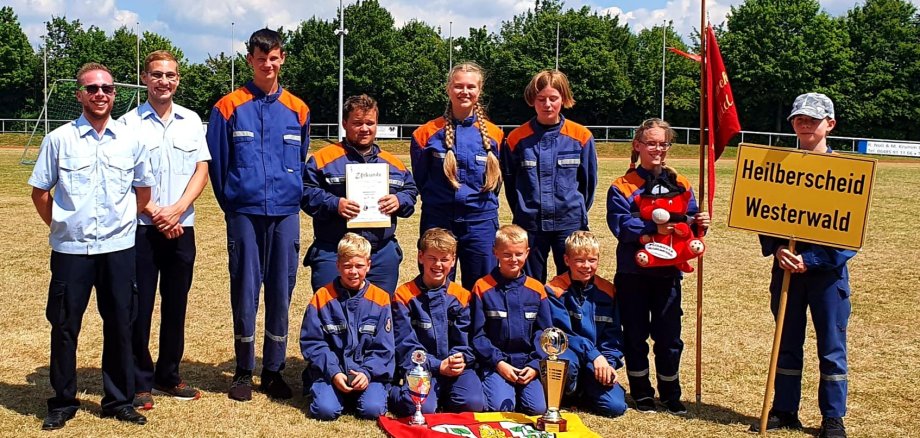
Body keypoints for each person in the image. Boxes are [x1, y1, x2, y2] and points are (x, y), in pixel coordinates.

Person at [28, 62, 155, 429]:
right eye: (93, 88)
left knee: (120, 323)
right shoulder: (59, 139)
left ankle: (118, 400)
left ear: (115, 94)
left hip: (118, 249)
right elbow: (40, 192)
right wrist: (61, 225)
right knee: (65, 326)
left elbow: (143, 192)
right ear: (79, 94)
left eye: (107, 88)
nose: (101, 94)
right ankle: (63, 401)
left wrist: (123, 222)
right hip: (71, 251)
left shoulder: (131, 139)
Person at [206, 28, 310, 401]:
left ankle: (273, 370)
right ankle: (242, 369)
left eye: (275, 57)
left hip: (284, 214)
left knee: (281, 292)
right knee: (245, 290)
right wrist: (233, 203)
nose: (268, 63)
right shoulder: (227, 106)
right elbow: (218, 165)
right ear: (249, 59)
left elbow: (299, 162)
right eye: (261, 57)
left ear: (282, 59)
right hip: (244, 214)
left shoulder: (298, 109)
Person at [751, 93, 853, 438]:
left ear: (830, 124)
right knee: (787, 342)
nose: (805, 125)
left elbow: (847, 234)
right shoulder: (779, 169)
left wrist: (809, 260)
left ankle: (833, 418)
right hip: (785, 273)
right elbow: (766, 214)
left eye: (812, 119)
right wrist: (778, 248)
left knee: (831, 349)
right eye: (799, 119)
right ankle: (784, 409)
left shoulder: (846, 173)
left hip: (826, 277)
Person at [120, 50, 209, 410]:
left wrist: (176, 211)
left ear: (178, 79)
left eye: (170, 75)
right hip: (141, 228)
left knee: (176, 304)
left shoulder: (191, 121)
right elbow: (124, 177)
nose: (164, 82)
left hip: (181, 226)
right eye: (157, 75)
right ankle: (140, 380)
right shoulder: (126, 124)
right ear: (144, 78)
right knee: (138, 307)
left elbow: (201, 170)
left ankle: (168, 375)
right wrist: (157, 212)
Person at [606, 118, 709, 415]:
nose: (658, 149)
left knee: (668, 337)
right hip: (633, 272)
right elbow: (622, 226)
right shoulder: (622, 186)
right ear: (638, 146)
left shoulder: (681, 182)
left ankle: (671, 392)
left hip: (669, 272)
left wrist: (700, 225)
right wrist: (656, 226)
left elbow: (689, 223)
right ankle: (641, 392)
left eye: (663, 143)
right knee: (635, 335)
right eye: (651, 143)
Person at [302, 94, 417, 295]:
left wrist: (399, 200)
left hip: (381, 253)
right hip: (334, 250)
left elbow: (410, 191)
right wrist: (334, 204)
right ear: (345, 123)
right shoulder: (322, 159)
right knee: (331, 314)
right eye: (357, 123)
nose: (364, 128)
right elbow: (305, 192)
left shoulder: (393, 163)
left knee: (378, 315)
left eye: (370, 123)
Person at [411, 62, 504, 290]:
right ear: (448, 88)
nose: (465, 92)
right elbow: (422, 180)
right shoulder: (425, 134)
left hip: (481, 222)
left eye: (471, 86)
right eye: (458, 86)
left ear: (479, 90)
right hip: (439, 220)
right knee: (435, 285)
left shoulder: (496, 134)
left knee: (483, 288)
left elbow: (497, 183)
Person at [501, 69, 597, 283]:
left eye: (553, 98)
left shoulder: (581, 136)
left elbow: (588, 184)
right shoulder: (516, 139)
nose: (547, 105)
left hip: (570, 222)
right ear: (532, 101)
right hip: (530, 224)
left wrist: (574, 209)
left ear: (563, 99)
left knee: (574, 281)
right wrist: (523, 210)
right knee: (531, 283)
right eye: (541, 99)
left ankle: (569, 318)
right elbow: (510, 184)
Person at [388, 228, 485, 417]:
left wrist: (460, 359)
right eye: (432, 258)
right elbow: (404, 345)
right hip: (420, 367)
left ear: (454, 260)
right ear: (420, 257)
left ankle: (444, 394)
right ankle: (393, 392)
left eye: (444, 259)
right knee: (422, 408)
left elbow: (469, 340)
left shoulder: (462, 296)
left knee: (473, 403)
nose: (438, 265)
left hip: (455, 367)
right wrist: (436, 365)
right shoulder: (404, 295)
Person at [300, 233, 394, 421]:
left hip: (369, 374)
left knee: (372, 410)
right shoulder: (322, 297)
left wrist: (367, 373)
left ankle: (366, 395)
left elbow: (384, 347)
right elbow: (313, 343)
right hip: (331, 373)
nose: (353, 272)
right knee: (325, 411)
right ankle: (328, 392)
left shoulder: (381, 299)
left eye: (359, 266)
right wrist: (334, 373)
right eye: (347, 266)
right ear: (337, 265)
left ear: (368, 265)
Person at [470, 224, 552, 415]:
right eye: (507, 254)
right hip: (497, 364)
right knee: (501, 407)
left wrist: (535, 366)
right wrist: (498, 363)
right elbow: (477, 335)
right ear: (495, 253)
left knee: (538, 409)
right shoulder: (482, 287)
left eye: (519, 254)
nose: (513, 259)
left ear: (527, 252)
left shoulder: (537, 289)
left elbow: (545, 333)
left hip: (527, 364)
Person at [545, 231, 627, 417]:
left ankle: (587, 389)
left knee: (615, 407)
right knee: (567, 364)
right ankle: (571, 392)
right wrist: (593, 355)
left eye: (592, 260)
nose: (587, 266)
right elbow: (561, 333)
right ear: (566, 260)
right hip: (570, 355)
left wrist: (608, 363)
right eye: (580, 260)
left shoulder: (608, 291)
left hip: (597, 362)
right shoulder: (554, 290)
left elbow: (613, 336)